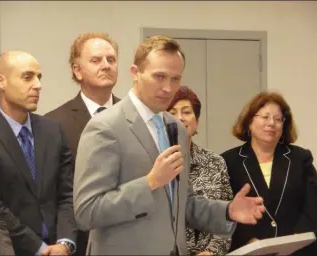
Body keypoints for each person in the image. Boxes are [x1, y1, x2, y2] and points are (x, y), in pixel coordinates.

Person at [73, 35, 265, 255]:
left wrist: (229, 211)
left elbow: (184, 203)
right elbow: (87, 211)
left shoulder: (176, 129)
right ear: (135, 73)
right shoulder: (105, 126)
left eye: (175, 79)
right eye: (159, 76)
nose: (168, 87)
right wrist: (150, 183)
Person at [0, 51, 77, 256]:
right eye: (27, 77)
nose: (37, 85)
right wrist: (38, 248)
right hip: (11, 248)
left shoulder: (54, 130)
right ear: (0, 81)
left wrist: (65, 242)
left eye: (39, 77)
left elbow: (67, 194)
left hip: (59, 248)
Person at [221, 91, 317, 256]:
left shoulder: (300, 158)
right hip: (251, 251)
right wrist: (248, 242)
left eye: (278, 119)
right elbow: (223, 212)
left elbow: (313, 209)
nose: (271, 123)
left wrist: (293, 245)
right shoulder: (228, 161)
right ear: (249, 121)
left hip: (301, 251)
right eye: (265, 117)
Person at [45, 32, 120, 256]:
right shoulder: (54, 123)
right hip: (77, 240)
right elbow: (54, 191)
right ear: (77, 70)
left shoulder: (133, 117)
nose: (106, 65)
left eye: (111, 59)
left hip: (128, 237)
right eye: (96, 60)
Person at [167, 86, 233, 255]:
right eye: (172, 112)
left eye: (186, 112)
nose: (179, 118)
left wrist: (211, 251)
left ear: (196, 121)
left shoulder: (215, 162)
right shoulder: (155, 162)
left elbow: (225, 217)